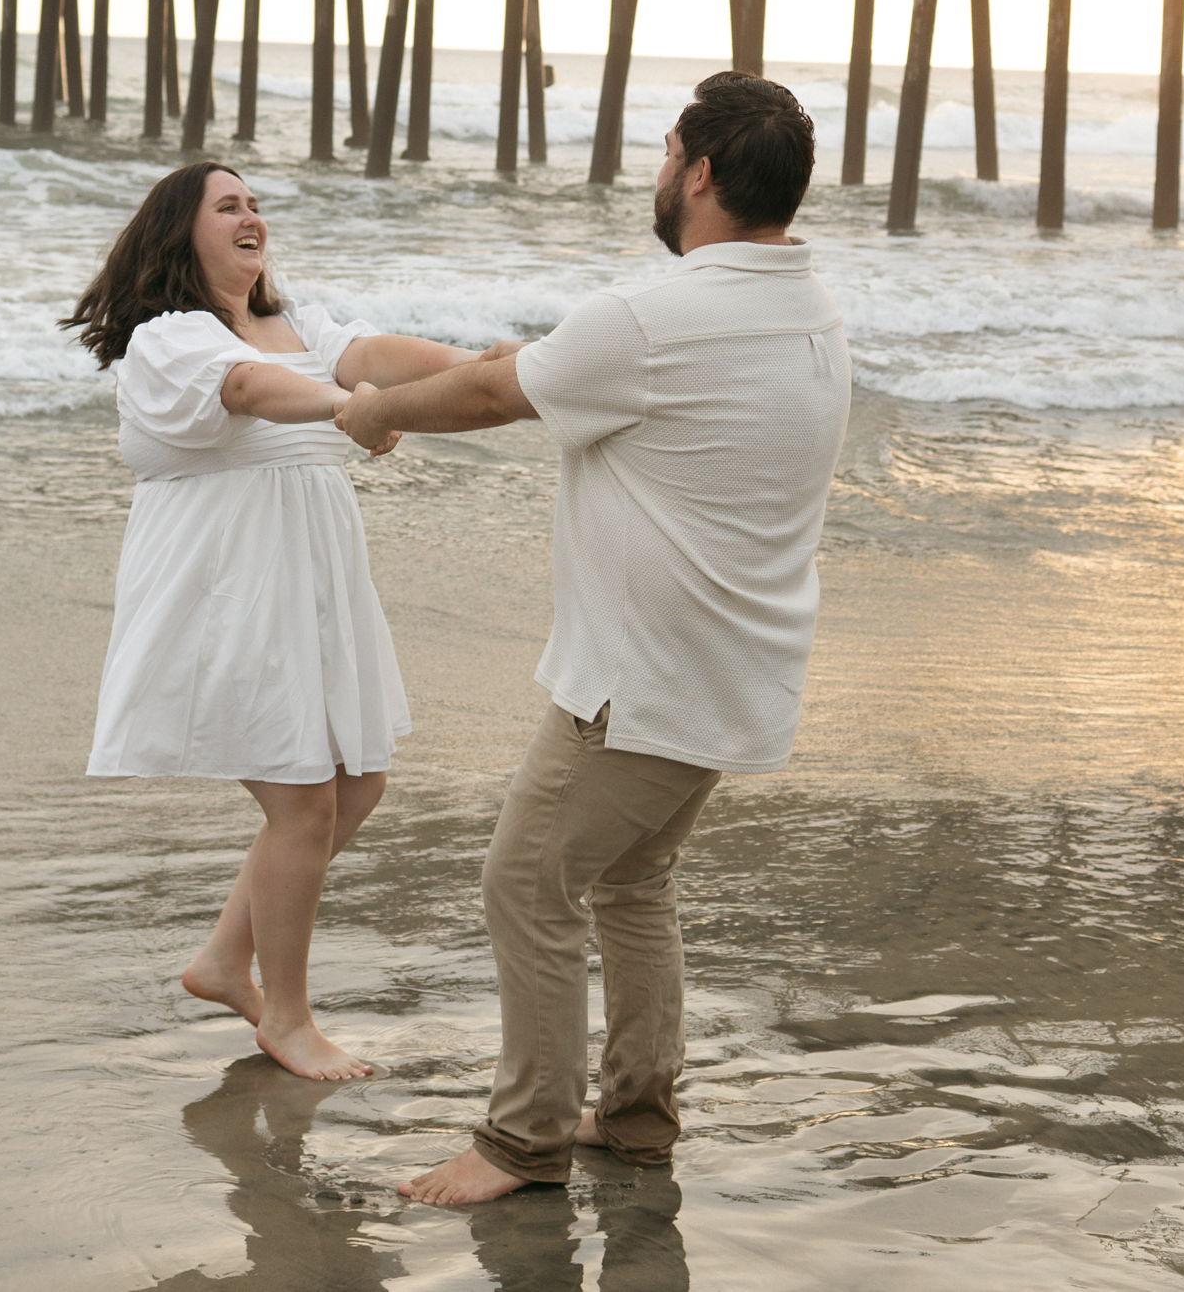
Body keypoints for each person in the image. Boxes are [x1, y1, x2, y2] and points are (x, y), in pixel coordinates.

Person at [336, 72, 853, 1203]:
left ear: (702, 172)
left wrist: (370, 411)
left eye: (667, 150)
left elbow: (489, 400)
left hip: (640, 684)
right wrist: (416, 360)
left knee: (524, 883)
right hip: (732, 674)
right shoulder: (804, 307)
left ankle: (519, 1141)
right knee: (631, 884)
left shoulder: (654, 318)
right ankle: (634, 1115)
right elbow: (533, 370)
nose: (658, 171)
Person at [65, 160, 486, 1083]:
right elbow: (252, 391)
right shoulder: (169, 336)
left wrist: (478, 368)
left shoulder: (296, 322)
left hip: (312, 576)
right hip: (230, 581)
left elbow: (371, 354)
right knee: (302, 799)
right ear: (183, 232)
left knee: (357, 780)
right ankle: (288, 1018)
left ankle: (223, 960)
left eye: (256, 204)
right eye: (228, 207)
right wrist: (352, 412)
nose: (252, 216)